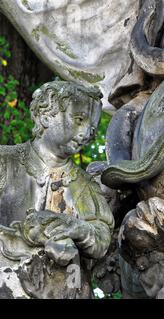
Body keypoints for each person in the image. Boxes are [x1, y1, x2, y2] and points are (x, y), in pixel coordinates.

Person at [0, 81, 114, 264]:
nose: (87, 133)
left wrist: (79, 228)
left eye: (93, 127)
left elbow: (101, 237)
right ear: (45, 116)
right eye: (79, 119)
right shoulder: (4, 161)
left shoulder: (85, 185)